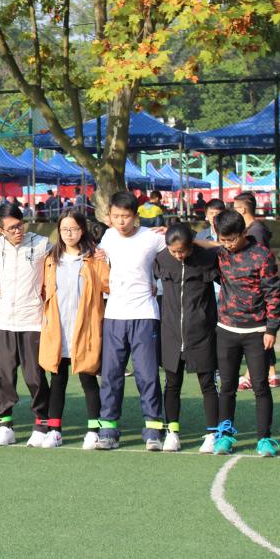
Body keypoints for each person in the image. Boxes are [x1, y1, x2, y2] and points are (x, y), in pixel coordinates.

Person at [94, 191, 167, 450]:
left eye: (125, 216)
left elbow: (180, 249)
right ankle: (108, 430)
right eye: (116, 216)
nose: (121, 222)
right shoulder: (108, 236)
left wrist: (171, 231)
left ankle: (153, 430)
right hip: (114, 315)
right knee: (111, 375)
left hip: (145, 314)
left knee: (147, 375)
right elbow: (99, 258)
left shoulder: (152, 237)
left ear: (136, 216)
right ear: (109, 216)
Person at [210, 210, 280, 457]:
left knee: (260, 386)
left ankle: (264, 438)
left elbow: (273, 293)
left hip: (257, 331)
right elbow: (199, 247)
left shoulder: (262, 255)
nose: (228, 245)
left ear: (243, 233)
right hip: (226, 329)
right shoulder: (220, 253)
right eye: (223, 240)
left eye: (232, 239)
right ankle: (225, 435)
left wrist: (271, 328)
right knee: (227, 386)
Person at [38, 210, 109, 449]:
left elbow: (108, 284)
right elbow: (44, 290)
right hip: (58, 330)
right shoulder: (51, 259)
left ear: (82, 230)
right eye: (64, 229)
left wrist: (107, 259)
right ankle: (54, 430)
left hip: (85, 329)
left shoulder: (94, 258)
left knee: (89, 380)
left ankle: (93, 430)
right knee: (57, 381)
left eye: (74, 229)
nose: (69, 234)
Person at [0, 202, 52, 446]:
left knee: (35, 376)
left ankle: (41, 423)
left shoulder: (41, 243)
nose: (18, 231)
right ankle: (5, 425)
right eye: (12, 228)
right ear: (1, 230)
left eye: (20, 225)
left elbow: (66, 254)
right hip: (3, 320)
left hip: (32, 320)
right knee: (4, 376)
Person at [154, 223, 220, 453]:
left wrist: (199, 243)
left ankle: (213, 434)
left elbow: (224, 248)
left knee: (208, 384)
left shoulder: (207, 258)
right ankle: (172, 433)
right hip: (171, 333)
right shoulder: (161, 258)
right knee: (172, 384)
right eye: (174, 251)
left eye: (182, 251)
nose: (178, 255)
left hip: (202, 332)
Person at [232, 190, 279, 388]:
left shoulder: (255, 232)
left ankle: (252, 374)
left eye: (235, 208)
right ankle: (271, 372)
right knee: (262, 333)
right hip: (256, 290)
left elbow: (256, 261)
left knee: (258, 334)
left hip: (256, 291)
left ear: (243, 209)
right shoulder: (252, 229)